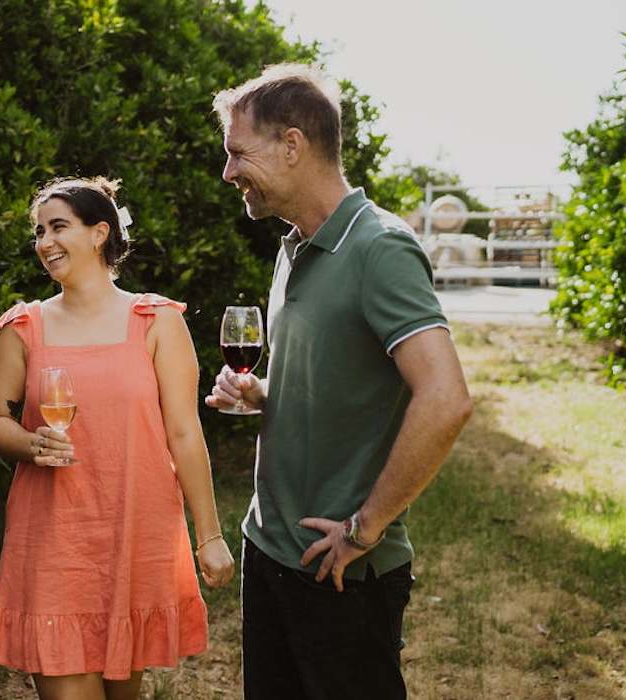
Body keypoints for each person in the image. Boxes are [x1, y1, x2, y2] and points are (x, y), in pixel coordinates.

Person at [205, 64, 474, 699]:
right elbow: (329, 387)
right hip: (267, 549)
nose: (228, 172)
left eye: (238, 153)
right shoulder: (292, 245)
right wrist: (262, 393)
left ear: (291, 145)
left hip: (340, 570)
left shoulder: (379, 247)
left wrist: (365, 527)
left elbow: (446, 398)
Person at [0, 177, 236, 699]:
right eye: (38, 232)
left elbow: (185, 433)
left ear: (100, 233)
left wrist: (208, 536)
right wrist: (29, 444)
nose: (44, 242)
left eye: (58, 227)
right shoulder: (23, 326)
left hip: (135, 534)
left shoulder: (156, 320)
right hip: (55, 541)